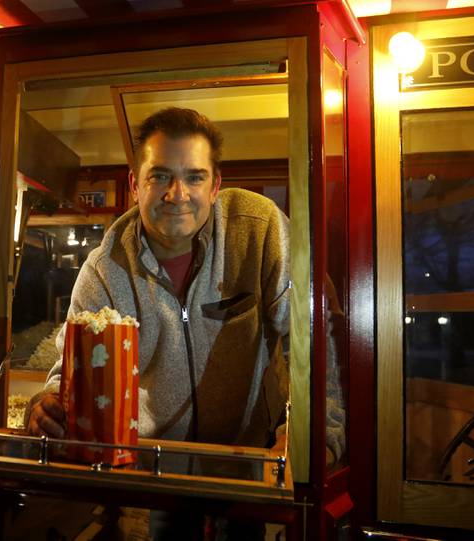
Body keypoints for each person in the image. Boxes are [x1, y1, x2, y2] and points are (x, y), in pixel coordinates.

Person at [25, 107, 292, 539]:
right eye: (161, 176)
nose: (177, 193)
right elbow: (71, 377)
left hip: (249, 461)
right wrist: (48, 407)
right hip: (157, 468)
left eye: (194, 177)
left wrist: (306, 441)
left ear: (216, 185)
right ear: (135, 184)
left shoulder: (258, 230)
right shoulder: (102, 271)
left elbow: (314, 343)